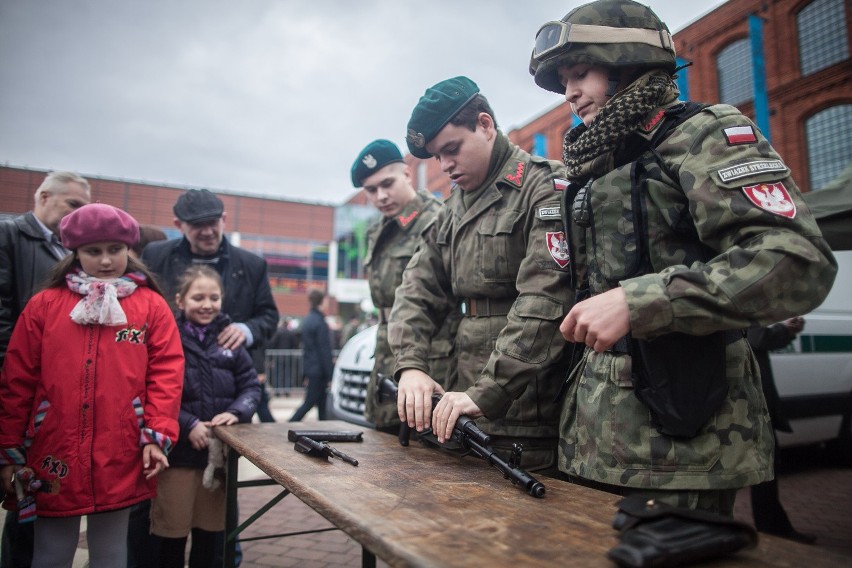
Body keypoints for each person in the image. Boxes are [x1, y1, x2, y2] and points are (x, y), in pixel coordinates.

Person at [528, 0, 837, 513]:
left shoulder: (702, 135)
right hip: (593, 438)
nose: (570, 93)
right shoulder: (594, 162)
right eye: (563, 80)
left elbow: (796, 258)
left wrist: (640, 302)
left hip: (682, 445)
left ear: (628, 64)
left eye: (580, 73)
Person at [389, 76, 575, 472]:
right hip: (461, 404)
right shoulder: (453, 207)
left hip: (527, 413)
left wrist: (487, 392)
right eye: (437, 157)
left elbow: (546, 299)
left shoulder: (544, 187)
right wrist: (411, 366)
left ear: (486, 125)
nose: (445, 165)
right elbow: (416, 289)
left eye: (452, 149)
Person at [0, 203, 184, 567]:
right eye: (93, 251)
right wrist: (7, 449)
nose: (105, 260)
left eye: (115, 249)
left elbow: (167, 373)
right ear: (74, 252)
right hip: (53, 449)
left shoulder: (152, 307)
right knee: (50, 553)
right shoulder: (44, 306)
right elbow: (17, 380)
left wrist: (157, 434)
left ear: (129, 249)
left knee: (111, 551)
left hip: (122, 448)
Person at [139, 188, 278, 566]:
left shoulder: (250, 264)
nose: (206, 231)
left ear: (224, 220)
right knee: (164, 522)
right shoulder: (154, 257)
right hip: (175, 419)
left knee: (217, 520)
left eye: (212, 223)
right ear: (177, 226)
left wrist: (246, 331)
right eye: (196, 225)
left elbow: (269, 316)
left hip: (221, 418)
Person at [0, 170, 91, 568]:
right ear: (42, 196)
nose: (78, 214)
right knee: (19, 493)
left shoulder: (68, 251)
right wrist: (20, 370)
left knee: (33, 497)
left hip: (49, 399)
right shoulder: (8, 236)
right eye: (73, 204)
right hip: (18, 387)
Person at [150, 265, 261, 568]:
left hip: (217, 460)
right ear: (180, 300)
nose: (207, 304)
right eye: (198, 297)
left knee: (210, 538)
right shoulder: (166, 337)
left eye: (214, 297)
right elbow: (155, 390)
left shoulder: (230, 341)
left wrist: (236, 411)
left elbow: (251, 387)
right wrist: (188, 424)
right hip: (178, 457)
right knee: (170, 535)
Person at [350, 139, 457, 433]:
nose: (381, 196)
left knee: (425, 449)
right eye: (371, 190)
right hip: (386, 351)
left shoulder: (436, 218)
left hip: (429, 355)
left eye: (387, 183)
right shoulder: (379, 231)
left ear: (407, 175)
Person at [747, 317, 816, 544]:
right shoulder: (740, 301)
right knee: (766, 467)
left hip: (745, 401)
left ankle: (774, 526)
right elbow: (757, 338)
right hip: (751, 403)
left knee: (764, 468)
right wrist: (784, 329)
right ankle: (773, 529)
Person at [289, 289, 333, 422]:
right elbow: (324, 350)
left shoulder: (308, 320)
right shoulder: (320, 322)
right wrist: (330, 374)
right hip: (319, 370)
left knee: (321, 403)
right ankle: (290, 423)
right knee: (310, 402)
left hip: (311, 367)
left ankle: (324, 429)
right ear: (322, 300)